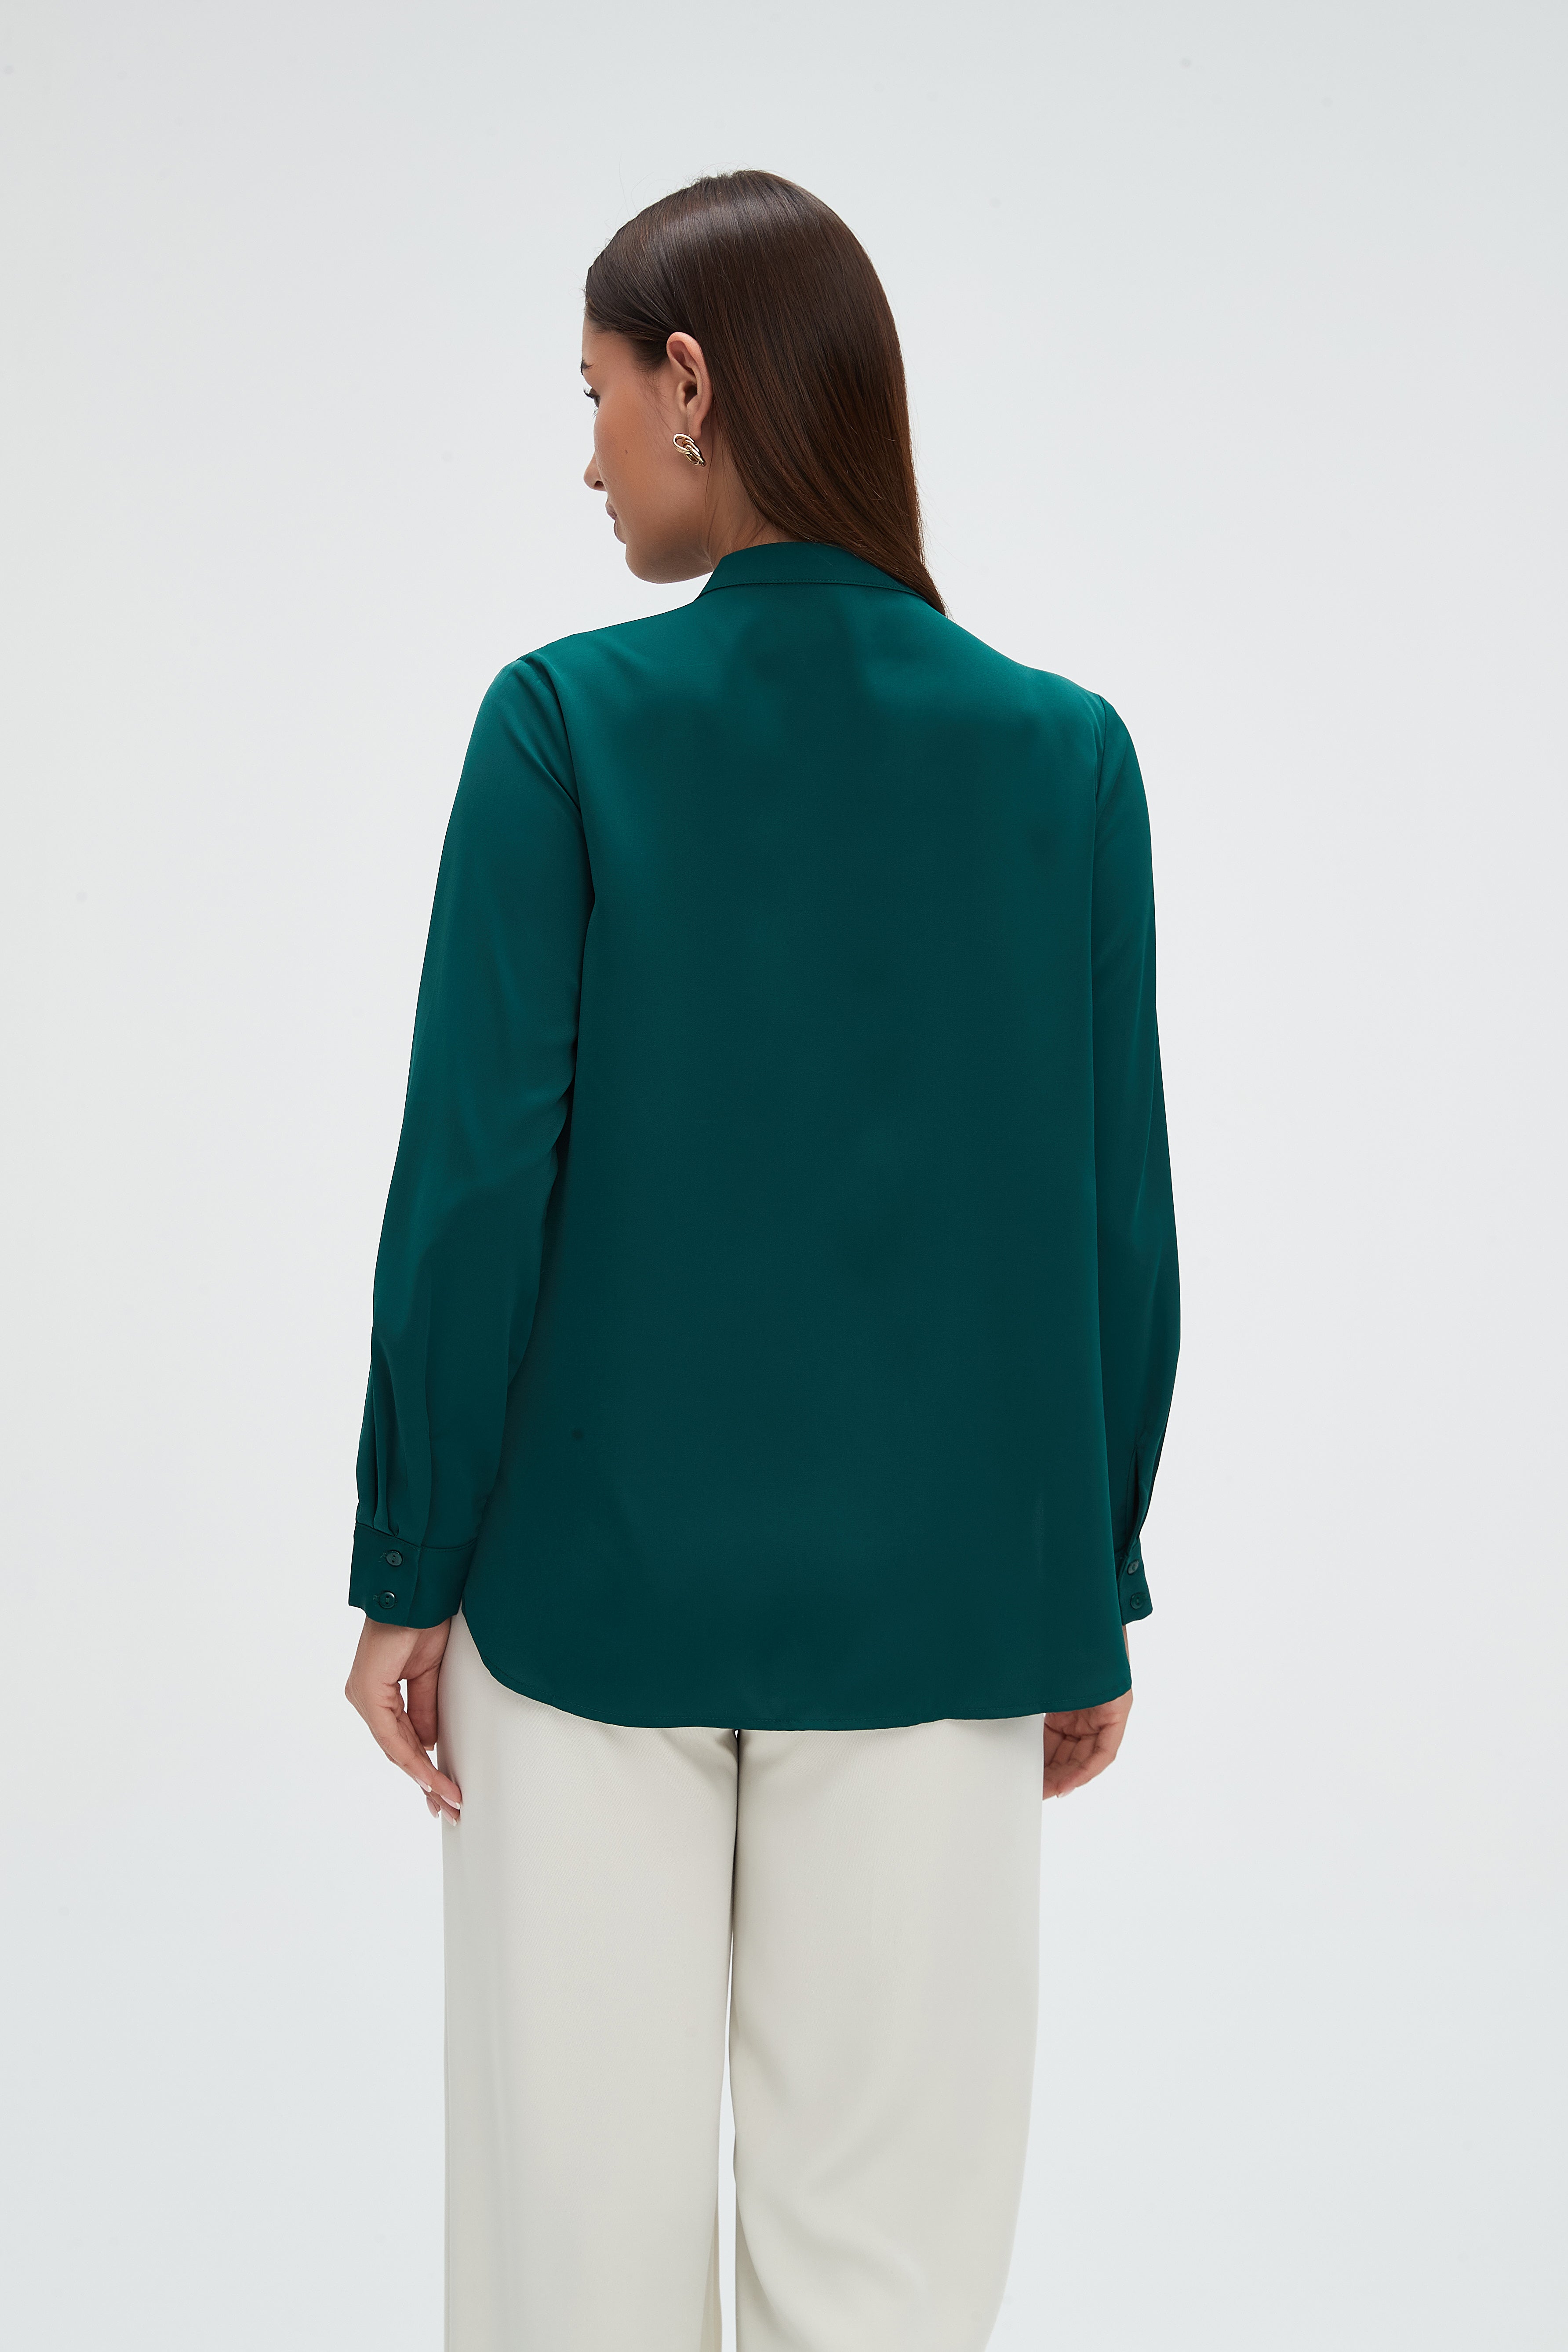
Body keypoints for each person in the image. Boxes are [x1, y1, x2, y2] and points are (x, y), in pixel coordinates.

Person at [344, 168, 1178, 2352]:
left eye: (597, 395)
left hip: (581, 1601)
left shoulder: (562, 723)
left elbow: (473, 1179)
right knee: (882, 2281)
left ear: (694, 384)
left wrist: (408, 1559)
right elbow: (1112, 1208)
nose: (589, 454)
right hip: (946, 1609)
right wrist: (1089, 1574)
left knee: (574, 2276)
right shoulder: (1067, 758)